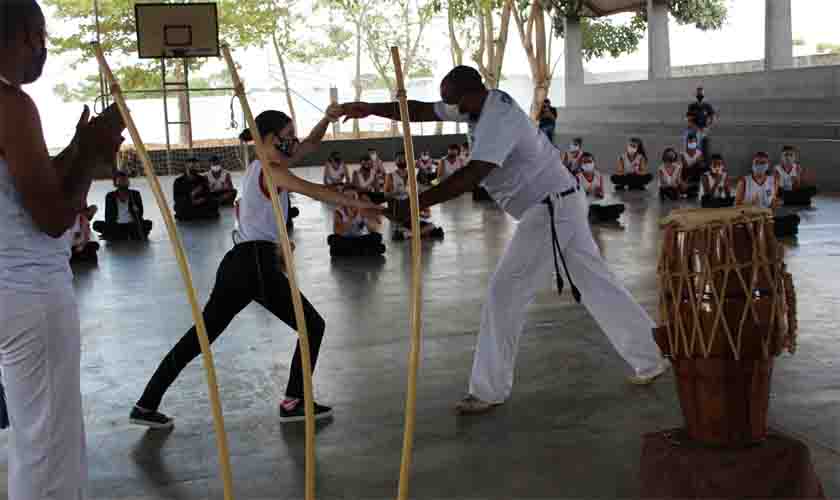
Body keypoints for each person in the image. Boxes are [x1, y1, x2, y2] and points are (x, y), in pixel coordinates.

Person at [341, 65, 668, 415]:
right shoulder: (474, 104)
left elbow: (472, 175)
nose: (450, 108)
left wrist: (414, 205)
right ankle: (651, 356)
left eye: (454, 101)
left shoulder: (499, 117)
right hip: (558, 204)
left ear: (469, 93)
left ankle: (487, 389)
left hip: (550, 208)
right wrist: (370, 108)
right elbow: (421, 110)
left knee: (505, 291)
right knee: (596, 285)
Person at [130, 108, 383, 429]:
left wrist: (328, 119)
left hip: (238, 264)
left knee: (200, 337)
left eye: (293, 137)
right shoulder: (272, 170)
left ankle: (145, 403)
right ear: (267, 139)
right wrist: (369, 204)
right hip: (256, 266)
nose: (294, 143)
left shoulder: (257, 167)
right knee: (312, 326)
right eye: (287, 138)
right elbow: (317, 191)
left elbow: (311, 144)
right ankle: (294, 401)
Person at [0, 2, 126, 496]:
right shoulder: (10, 104)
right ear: (21, 35)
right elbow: (52, 217)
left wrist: (77, 146)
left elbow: (26, 181)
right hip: (26, 289)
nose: (43, 50)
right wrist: (94, 156)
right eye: (39, 37)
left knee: (32, 435)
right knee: (49, 446)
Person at [735, 151, 799, 238]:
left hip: (767, 217)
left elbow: (772, 202)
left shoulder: (773, 180)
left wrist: (776, 204)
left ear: (767, 165)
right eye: (756, 162)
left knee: (794, 219)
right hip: (749, 217)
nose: (759, 165)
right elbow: (736, 206)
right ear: (752, 165)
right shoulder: (743, 181)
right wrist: (750, 206)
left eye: (763, 163)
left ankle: (764, 230)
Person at [385, 152, 444, 240]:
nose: (402, 161)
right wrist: (395, 192)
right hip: (399, 209)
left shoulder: (413, 174)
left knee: (433, 228)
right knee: (431, 229)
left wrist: (425, 210)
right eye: (399, 159)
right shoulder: (390, 176)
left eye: (404, 159)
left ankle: (408, 234)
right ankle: (414, 233)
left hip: (412, 210)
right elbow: (386, 195)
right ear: (395, 161)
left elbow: (419, 194)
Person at [93, 170, 153, 241]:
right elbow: (108, 215)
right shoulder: (110, 196)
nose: (123, 182)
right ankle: (127, 235)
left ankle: (118, 235)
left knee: (148, 223)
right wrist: (110, 227)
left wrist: (137, 210)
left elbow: (140, 213)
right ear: (115, 183)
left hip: (132, 225)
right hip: (116, 225)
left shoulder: (135, 194)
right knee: (96, 224)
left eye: (125, 180)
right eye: (120, 180)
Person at [327, 189, 386, 257]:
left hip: (360, 240)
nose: (350, 200)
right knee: (332, 239)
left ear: (357, 199)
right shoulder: (339, 211)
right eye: (347, 197)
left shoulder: (362, 210)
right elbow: (337, 231)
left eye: (353, 197)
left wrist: (369, 218)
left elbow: (373, 230)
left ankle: (351, 252)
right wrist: (350, 219)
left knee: (377, 237)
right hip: (345, 240)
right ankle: (361, 251)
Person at [576, 152, 624, 223]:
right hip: (585, 205)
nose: (587, 163)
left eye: (589, 161)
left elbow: (602, 195)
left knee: (620, 207)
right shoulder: (577, 177)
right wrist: (586, 192)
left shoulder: (598, 175)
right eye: (584, 162)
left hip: (597, 203)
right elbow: (575, 197)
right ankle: (601, 215)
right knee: (593, 210)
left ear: (593, 162)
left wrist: (599, 193)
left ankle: (601, 215)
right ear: (581, 164)